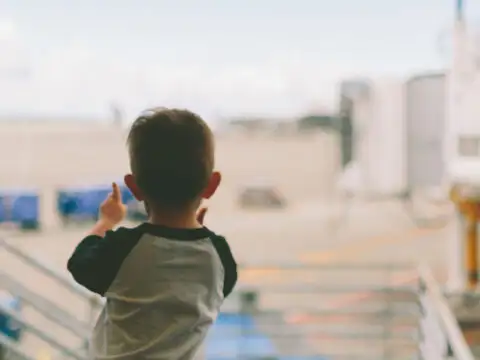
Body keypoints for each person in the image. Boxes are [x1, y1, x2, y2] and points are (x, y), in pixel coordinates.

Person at [67, 108, 238, 360]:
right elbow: (216, 287)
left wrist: (106, 221)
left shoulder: (124, 248)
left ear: (134, 187)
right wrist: (198, 237)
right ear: (212, 185)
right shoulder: (219, 256)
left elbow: (79, 264)